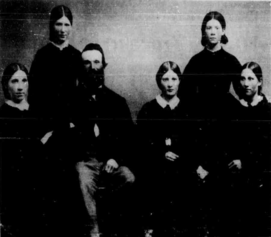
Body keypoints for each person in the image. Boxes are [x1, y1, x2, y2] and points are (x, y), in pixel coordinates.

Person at [180, 12, 242, 235]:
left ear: (223, 31)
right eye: (208, 27)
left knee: (222, 178)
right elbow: (183, 97)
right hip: (200, 125)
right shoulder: (196, 61)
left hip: (224, 125)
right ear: (203, 32)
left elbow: (244, 91)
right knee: (198, 176)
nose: (213, 31)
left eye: (217, 27)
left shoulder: (231, 60)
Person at [72, 43, 136, 237]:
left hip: (111, 162)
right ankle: (94, 231)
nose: (92, 67)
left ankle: (111, 222)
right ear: (81, 67)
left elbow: (129, 137)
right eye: (87, 63)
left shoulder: (117, 102)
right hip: (84, 161)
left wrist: (115, 158)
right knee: (82, 179)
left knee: (128, 178)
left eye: (97, 62)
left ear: (103, 65)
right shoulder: (70, 101)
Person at [137, 61, 197, 236]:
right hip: (156, 167)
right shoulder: (148, 110)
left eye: (174, 79)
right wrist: (161, 153)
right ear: (159, 81)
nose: (170, 84)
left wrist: (181, 156)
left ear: (180, 81)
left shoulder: (188, 109)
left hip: (182, 166)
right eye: (165, 79)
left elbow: (193, 142)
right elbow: (141, 143)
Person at [224, 62, 271, 236]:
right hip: (235, 183)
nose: (246, 83)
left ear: (259, 81)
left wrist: (246, 163)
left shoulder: (267, 111)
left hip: (260, 183)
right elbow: (225, 143)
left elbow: (267, 150)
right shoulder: (234, 110)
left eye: (250, 78)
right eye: (242, 79)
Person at [0, 63, 45, 237]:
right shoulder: (3, 116)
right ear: (5, 85)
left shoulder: (37, 112)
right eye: (14, 81)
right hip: (16, 188)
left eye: (24, 81)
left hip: (41, 183)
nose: (20, 87)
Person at [29, 5, 81, 133]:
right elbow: (34, 93)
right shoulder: (42, 55)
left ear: (71, 27)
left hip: (72, 124)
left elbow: (83, 92)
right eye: (59, 24)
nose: (63, 30)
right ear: (52, 25)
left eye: (67, 25)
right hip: (47, 124)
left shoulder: (76, 55)